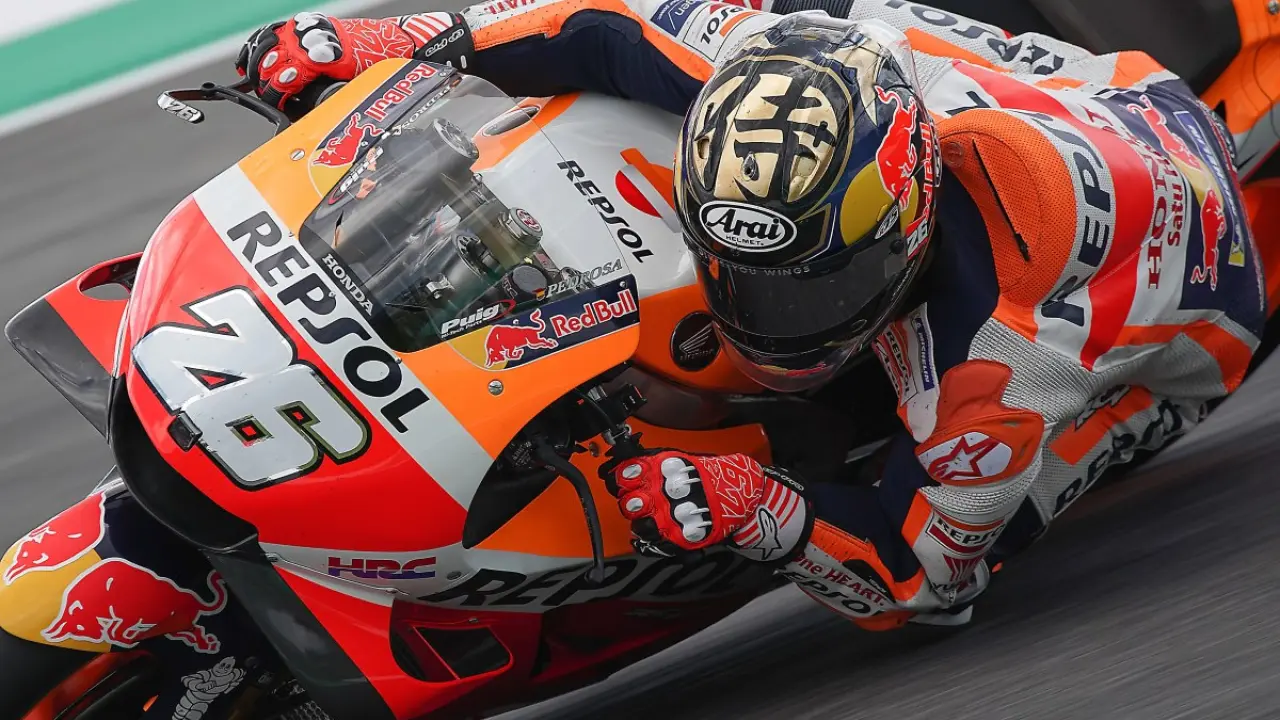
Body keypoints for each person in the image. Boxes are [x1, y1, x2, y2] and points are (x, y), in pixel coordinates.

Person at [236, 0, 1264, 627]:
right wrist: (407, 40)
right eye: (739, 271)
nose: (755, 315)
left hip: (1182, 314)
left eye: (805, 290)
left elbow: (922, 580)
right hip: (1041, 96)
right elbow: (598, 26)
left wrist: (761, 511)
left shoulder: (1003, 363)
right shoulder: (769, 53)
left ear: (903, 231)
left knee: (880, 465)